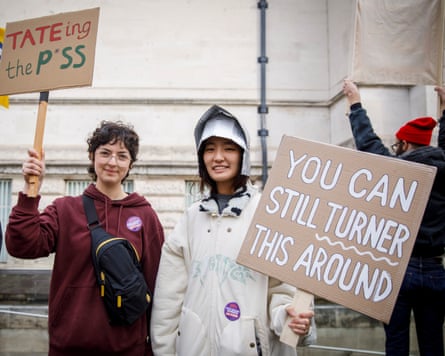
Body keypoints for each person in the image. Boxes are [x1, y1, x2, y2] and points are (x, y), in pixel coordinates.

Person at [150, 105, 315, 356]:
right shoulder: (190, 219)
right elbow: (168, 300)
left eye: (228, 148)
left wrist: (289, 319)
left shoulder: (268, 214)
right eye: (210, 149)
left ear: (243, 155)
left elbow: (282, 290)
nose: (218, 157)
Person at [6, 120, 165, 356]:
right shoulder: (65, 209)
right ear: (92, 156)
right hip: (70, 346)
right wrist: (31, 193)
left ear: (130, 163)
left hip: (129, 348)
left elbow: (157, 286)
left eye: (122, 156)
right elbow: (22, 246)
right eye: (105, 153)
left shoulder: (145, 215)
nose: (113, 162)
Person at [343, 79, 445, 356]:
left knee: (396, 343)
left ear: (404, 143)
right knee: (434, 344)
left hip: (400, 269)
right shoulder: (443, 169)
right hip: (437, 270)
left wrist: (355, 104)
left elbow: (368, 144)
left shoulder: (397, 170)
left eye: (397, 144)